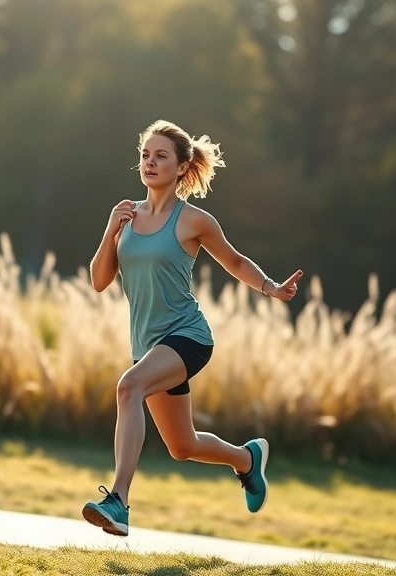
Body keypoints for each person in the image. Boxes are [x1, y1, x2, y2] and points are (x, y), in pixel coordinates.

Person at [82, 119, 303, 537]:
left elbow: (235, 261)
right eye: (146, 154)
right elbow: (98, 280)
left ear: (182, 167)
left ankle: (119, 502)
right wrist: (110, 230)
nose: (150, 162)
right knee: (182, 447)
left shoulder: (194, 221)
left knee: (128, 387)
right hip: (148, 345)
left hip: (188, 336)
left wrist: (271, 287)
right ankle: (246, 459)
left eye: (161, 156)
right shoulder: (127, 216)